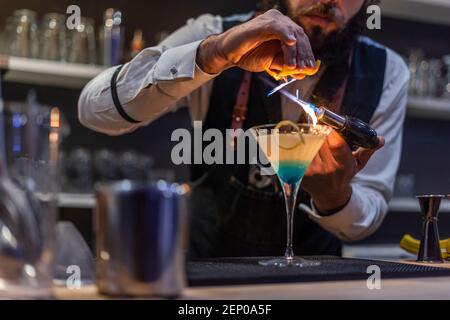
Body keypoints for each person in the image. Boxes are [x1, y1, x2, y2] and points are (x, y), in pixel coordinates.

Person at [78, 0, 409, 258]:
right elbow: (94, 110)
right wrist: (212, 55)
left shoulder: (386, 71)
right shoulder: (213, 33)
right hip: (208, 285)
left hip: (314, 284)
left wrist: (335, 197)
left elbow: (368, 213)